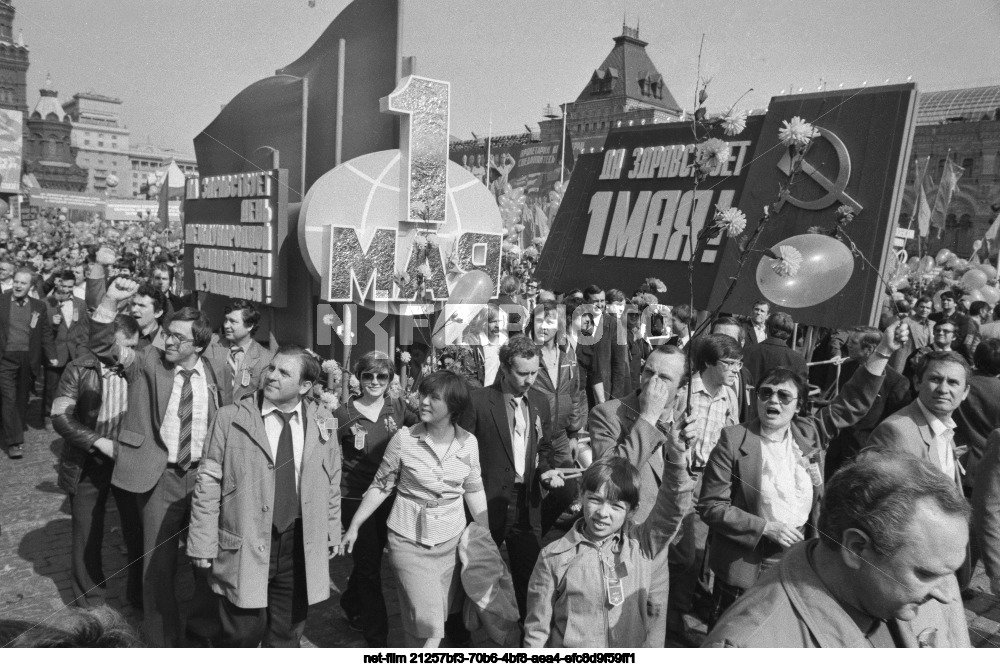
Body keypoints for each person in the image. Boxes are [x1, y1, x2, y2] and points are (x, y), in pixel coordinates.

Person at [698, 321, 905, 620]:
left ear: (799, 406)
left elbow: (852, 401)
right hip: (747, 564)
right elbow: (711, 506)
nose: (773, 400)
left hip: (799, 564)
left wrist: (884, 350)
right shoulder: (733, 439)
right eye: (766, 393)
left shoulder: (809, 432)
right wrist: (765, 527)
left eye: (784, 397)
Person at [704, 451, 971, 647]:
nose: (946, 595)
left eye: (947, 573)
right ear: (855, 548)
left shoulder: (921, 579)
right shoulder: (750, 646)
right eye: (925, 574)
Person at [88, 278, 222, 647]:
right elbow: (102, 345)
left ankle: (202, 638)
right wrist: (111, 301)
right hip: (160, 476)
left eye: (178, 337)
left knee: (205, 562)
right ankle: (164, 645)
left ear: (198, 344)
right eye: (169, 334)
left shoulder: (215, 372)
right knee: (157, 568)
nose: (168, 341)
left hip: (204, 479)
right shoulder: (147, 362)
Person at [187, 346, 341, 648]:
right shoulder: (230, 418)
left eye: (284, 373)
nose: (272, 376)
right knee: (242, 633)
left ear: (305, 386)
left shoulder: (324, 420)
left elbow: (331, 478)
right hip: (245, 537)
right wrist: (202, 541)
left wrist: (332, 530)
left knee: (286, 634)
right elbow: (207, 482)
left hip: (298, 543)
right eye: (271, 368)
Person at [341, 372, 489, 648]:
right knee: (428, 623)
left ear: (454, 407)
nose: (423, 402)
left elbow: (473, 488)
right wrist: (355, 524)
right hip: (408, 540)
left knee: (430, 620)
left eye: (434, 397)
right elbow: (381, 485)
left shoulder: (468, 442)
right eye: (422, 394)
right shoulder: (404, 439)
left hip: (450, 542)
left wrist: (484, 531)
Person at [523, 454, 693, 648]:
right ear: (581, 495)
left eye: (616, 506)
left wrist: (677, 457)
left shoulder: (641, 544)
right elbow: (537, 630)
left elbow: (672, 508)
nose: (603, 513)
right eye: (595, 500)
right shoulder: (553, 557)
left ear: (632, 510)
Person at [588, 344, 694, 647]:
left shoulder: (682, 421)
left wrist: (680, 456)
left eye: (664, 378)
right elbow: (609, 480)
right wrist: (646, 417)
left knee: (652, 639)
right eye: (648, 372)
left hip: (657, 553)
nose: (653, 383)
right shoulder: (607, 415)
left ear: (682, 387)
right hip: (619, 548)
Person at [459, 336, 558, 619]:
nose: (529, 379)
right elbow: (462, 452)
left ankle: (528, 641)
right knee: (472, 571)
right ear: (504, 368)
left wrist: (547, 470)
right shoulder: (477, 401)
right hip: (486, 503)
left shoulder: (540, 401)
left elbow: (545, 446)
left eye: (534, 372)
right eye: (522, 373)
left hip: (527, 504)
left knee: (530, 579)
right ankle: (461, 635)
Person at [52, 313, 143, 610]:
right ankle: (90, 599)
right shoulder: (78, 369)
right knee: (87, 529)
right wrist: (100, 443)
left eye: (133, 346)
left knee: (137, 528)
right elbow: (61, 418)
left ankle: (139, 594)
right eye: (122, 346)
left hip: (129, 458)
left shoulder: (138, 367)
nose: (126, 354)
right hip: (88, 459)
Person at [334, 351, 417, 647]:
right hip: (356, 497)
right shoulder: (343, 413)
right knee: (370, 569)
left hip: (390, 495)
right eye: (368, 375)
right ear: (359, 377)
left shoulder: (397, 408)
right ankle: (377, 639)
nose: (374, 381)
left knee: (369, 558)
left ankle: (351, 603)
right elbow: (331, 457)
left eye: (382, 376)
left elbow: (423, 429)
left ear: (390, 379)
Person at [666, 334, 741, 644]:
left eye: (739, 364)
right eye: (730, 364)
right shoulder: (684, 392)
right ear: (710, 362)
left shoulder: (729, 395)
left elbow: (733, 435)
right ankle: (671, 619)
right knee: (683, 551)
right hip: (684, 477)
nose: (736, 370)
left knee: (699, 552)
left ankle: (681, 610)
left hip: (712, 483)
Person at [823, 326, 912, 479]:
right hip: (835, 450)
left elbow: (894, 425)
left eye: (854, 342)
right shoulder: (845, 369)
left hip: (864, 456)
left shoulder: (896, 382)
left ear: (869, 348)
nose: (848, 345)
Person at [528, 301, 586, 535]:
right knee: (532, 492)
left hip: (561, 436)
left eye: (550, 321)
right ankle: (529, 536)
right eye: (539, 320)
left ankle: (538, 530)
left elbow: (577, 393)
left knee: (567, 491)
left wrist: (574, 433)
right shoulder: (525, 352)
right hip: (533, 435)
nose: (544, 326)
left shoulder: (568, 352)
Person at [0, 267, 57, 458]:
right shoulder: (2, 301)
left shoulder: (39, 306)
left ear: (31, 286)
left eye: (23, 283)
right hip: (5, 358)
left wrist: (51, 354)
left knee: (21, 399)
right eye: (16, 281)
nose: (18, 285)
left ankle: (11, 425)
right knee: (8, 398)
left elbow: (46, 332)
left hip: (28, 359)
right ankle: (15, 442)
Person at [203, 299, 273, 406]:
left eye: (233, 322)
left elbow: (264, 399)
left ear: (250, 326)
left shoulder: (265, 358)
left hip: (241, 419)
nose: (226, 325)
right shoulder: (210, 343)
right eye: (226, 320)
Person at [44, 269, 89, 419]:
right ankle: (49, 414)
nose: (67, 290)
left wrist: (82, 350)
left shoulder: (80, 304)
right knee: (52, 385)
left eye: (70, 287)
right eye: (64, 286)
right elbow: (41, 331)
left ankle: (69, 413)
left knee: (72, 384)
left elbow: (84, 329)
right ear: (57, 284)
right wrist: (52, 324)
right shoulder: (46, 303)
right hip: (56, 351)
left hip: (74, 351)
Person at [577, 285, 630, 407]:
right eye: (596, 301)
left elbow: (619, 365)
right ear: (586, 302)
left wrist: (614, 399)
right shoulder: (578, 322)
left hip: (604, 392)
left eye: (602, 301)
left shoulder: (615, 325)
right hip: (581, 389)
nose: (600, 304)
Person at [741, 311, 807, 385]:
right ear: (790, 333)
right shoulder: (798, 360)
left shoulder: (747, 351)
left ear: (767, 328)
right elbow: (801, 389)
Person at [903, 320, 957, 388]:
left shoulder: (956, 358)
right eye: (937, 330)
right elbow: (908, 380)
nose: (940, 333)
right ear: (933, 333)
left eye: (946, 331)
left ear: (954, 336)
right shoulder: (919, 354)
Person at [889, 295, 934, 374]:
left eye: (928, 308)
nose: (924, 310)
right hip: (906, 362)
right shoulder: (906, 321)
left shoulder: (933, 325)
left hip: (924, 363)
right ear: (916, 307)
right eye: (922, 307)